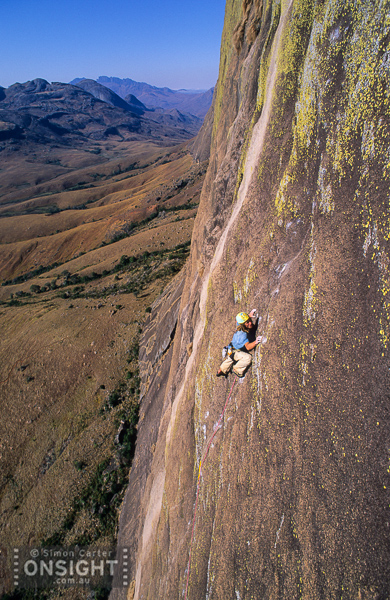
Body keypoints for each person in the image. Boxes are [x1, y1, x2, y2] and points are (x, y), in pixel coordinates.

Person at [216, 309, 261, 378]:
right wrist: (256, 342)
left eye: (249, 320)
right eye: (247, 323)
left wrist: (249, 315)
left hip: (230, 348)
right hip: (236, 352)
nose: (250, 323)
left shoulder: (239, 325)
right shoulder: (242, 335)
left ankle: (221, 370)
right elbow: (248, 347)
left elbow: (238, 321)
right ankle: (237, 369)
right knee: (248, 358)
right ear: (243, 325)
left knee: (230, 359)